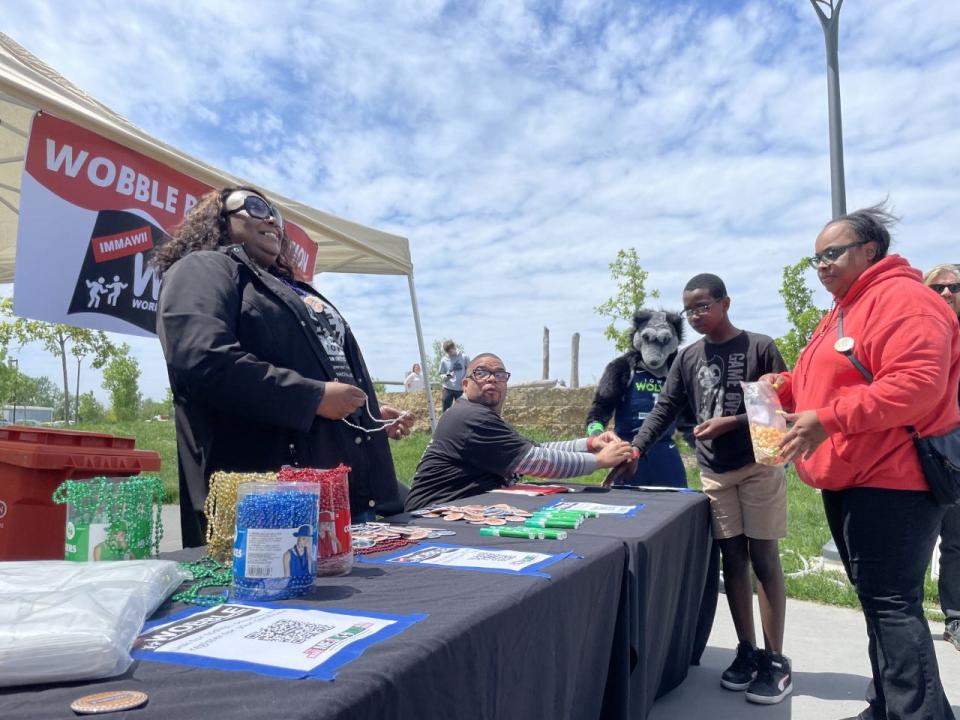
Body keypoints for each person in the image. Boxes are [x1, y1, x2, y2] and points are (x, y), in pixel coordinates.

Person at [769, 207, 959, 720]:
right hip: (853, 475)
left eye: (833, 253)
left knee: (893, 607)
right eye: (816, 258)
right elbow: (833, 376)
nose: (822, 266)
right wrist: (783, 386)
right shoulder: (845, 307)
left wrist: (827, 419)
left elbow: (917, 387)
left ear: (870, 251)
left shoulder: (905, 301)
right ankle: (894, 707)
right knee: (881, 605)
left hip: (893, 479)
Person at [154, 186, 413, 547]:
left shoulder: (290, 286)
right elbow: (202, 358)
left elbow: (318, 370)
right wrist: (313, 397)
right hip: (277, 511)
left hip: (348, 500)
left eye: (275, 211)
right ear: (221, 218)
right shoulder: (204, 267)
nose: (272, 218)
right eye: (257, 207)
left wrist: (367, 413)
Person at [624, 273, 791, 705]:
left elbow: (780, 407)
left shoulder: (760, 346)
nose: (696, 316)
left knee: (764, 558)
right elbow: (665, 408)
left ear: (725, 303)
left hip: (758, 465)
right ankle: (747, 650)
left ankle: (775, 659)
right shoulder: (687, 357)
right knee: (732, 560)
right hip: (714, 471)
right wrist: (636, 450)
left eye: (703, 306)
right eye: (689, 309)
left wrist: (731, 423)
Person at [405, 354, 635, 511]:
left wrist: (589, 443)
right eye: (481, 373)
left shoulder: (481, 416)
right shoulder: (469, 417)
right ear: (465, 384)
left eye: (499, 374)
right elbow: (534, 461)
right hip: (433, 515)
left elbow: (535, 450)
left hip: (456, 510)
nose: (492, 378)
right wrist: (598, 461)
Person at [586, 309, 692, 487]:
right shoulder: (621, 368)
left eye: (664, 341)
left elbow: (689, 419)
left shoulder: (679, 371)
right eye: (648, 338)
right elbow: (600, 407)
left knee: (676, 504)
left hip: (665, 452)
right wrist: (596, 433)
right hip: (627, 451)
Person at [923, 263, 960, 652]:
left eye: (954, 287)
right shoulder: (921, 336)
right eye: (937, 288)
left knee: (957, 543)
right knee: (915, 542)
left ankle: (955, 618)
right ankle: (907, 616)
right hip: (927, 459)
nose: (947, 293)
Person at [438, 340, 469, 413]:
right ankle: (445, 424)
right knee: (445, 411)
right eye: (448, 352)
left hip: (461, 389)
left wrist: (465, 378)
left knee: (462, 410)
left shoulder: (464, 357)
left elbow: (469, 369)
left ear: (454, 347)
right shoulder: (444, 360)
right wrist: (448, 376)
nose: (450, 354)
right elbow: (440, 374)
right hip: (448, 388)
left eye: (451, 351)